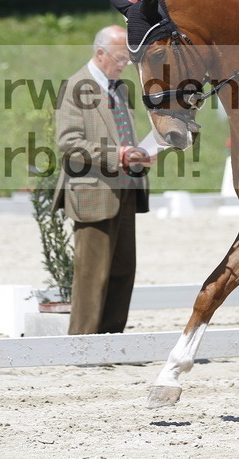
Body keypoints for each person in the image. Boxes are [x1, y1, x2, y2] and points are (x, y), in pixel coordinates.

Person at [54, 25, 152, 335]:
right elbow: (68, 143)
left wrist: (139, 155)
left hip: (126, 190)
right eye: (121, 58)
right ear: (100, 53)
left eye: (129, 59)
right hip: (92, 192)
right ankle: (83, 342)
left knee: (123, 271)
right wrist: (118, 156)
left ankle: (111, 338)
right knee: (91, 274)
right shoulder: (74, 87)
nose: (126, 65)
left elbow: (122, 135)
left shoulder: (119, 88)